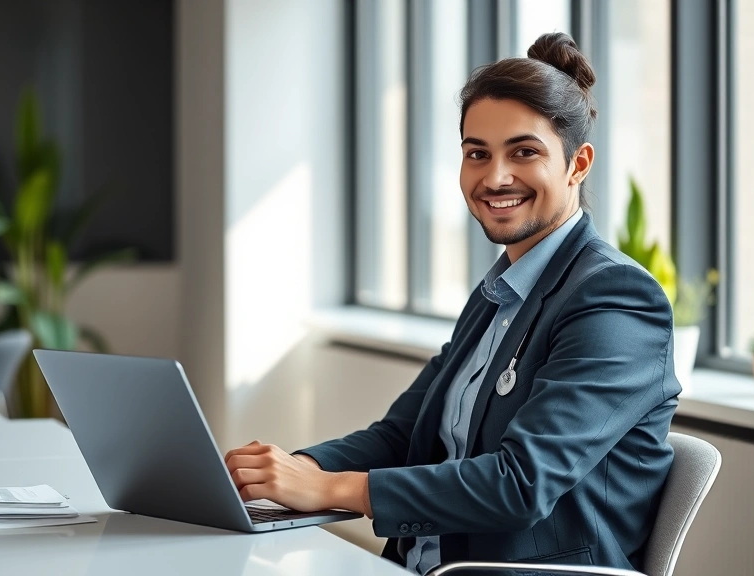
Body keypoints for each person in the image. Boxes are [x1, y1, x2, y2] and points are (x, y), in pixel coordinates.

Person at [224, 32, 680, 574]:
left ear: (577, 164)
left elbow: (520, 484)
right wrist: (283, 474)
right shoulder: (501, 292)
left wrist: (329, 487)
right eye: (476, 154)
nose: (495, 177)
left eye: (524, 152)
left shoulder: (615, 299)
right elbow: (403, 436)